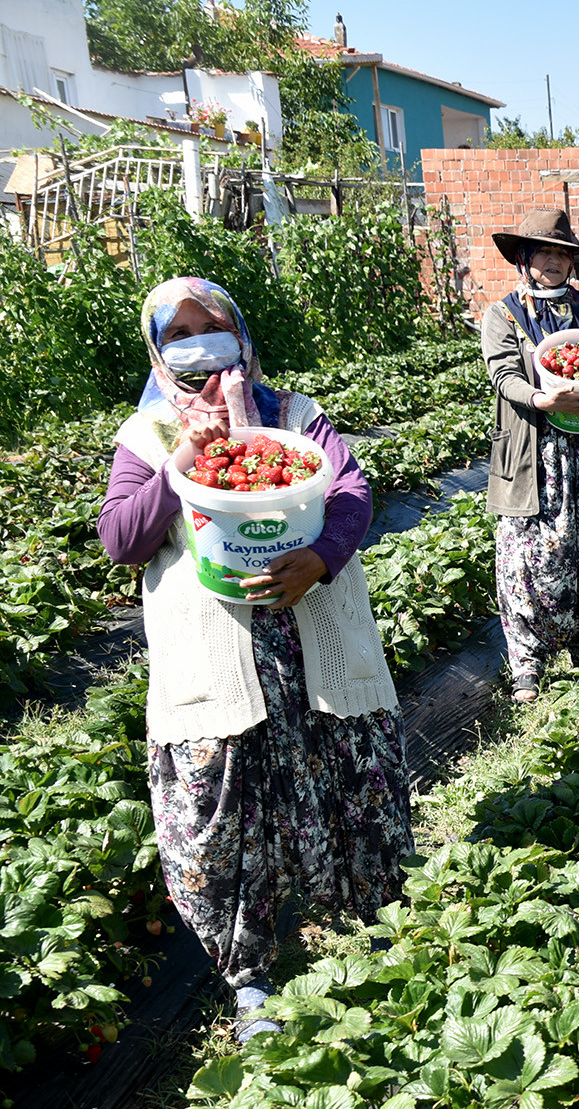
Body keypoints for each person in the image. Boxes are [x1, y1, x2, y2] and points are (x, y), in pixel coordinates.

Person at [98, 279, 411, 1042]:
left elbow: (351, 493)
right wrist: (182, 461)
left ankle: (378, 937)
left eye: (215, 327)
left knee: (348, 779)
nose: (203, 346)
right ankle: (252, 986)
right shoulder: (145, 436)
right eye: (183, 333)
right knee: (222, 814)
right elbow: (121, 540)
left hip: (313, 636)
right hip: (217, 662)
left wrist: (322, 555)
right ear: (158, 347)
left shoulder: (296, 414)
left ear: (240, 332)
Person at [481, 207, 579, 703]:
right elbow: (504, 376)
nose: (553, 261)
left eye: (562, 254)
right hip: (536, 455)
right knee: (530, 553)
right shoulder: (502, 314)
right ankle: (528, 660)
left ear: (572, 262)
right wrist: (542, 399)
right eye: (544, 252)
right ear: (524, 258)